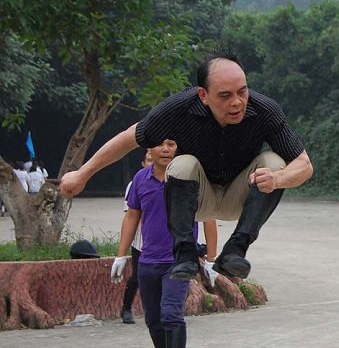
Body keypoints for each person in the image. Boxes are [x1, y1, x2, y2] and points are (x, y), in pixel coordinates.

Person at [60, 54, 313, 282]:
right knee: (181, 164)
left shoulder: (265, 111)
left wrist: (277, 179)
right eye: (225, 95)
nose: (237, 103)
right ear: (203, 95)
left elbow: (304, 166)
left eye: (242, 92)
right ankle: (185, 253)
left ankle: (236, 249)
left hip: (240, 196)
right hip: (196, 199)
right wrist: (83, 174)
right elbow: (129, 138)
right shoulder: (178, 109)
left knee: (274, 163)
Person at [111, 139, 217, 348]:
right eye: (160, 145)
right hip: (148, 259)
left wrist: (212, 260)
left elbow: (209, 218)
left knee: (171, 313)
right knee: (153, 319)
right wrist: (121, 255)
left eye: (171, 144)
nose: (166, 149)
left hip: (179, 260)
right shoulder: (140, 179)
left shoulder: (190, 178)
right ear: (149, 150)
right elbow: (132, 216)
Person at [117, 150, 155, 324]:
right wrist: (121, 253)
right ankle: (126, 307)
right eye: (148, 160)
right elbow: (131, 215)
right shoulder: (137, 183)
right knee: (138, 276)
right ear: (143, 163)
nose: (152, 163)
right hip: (141, 241)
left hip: (166, 240)